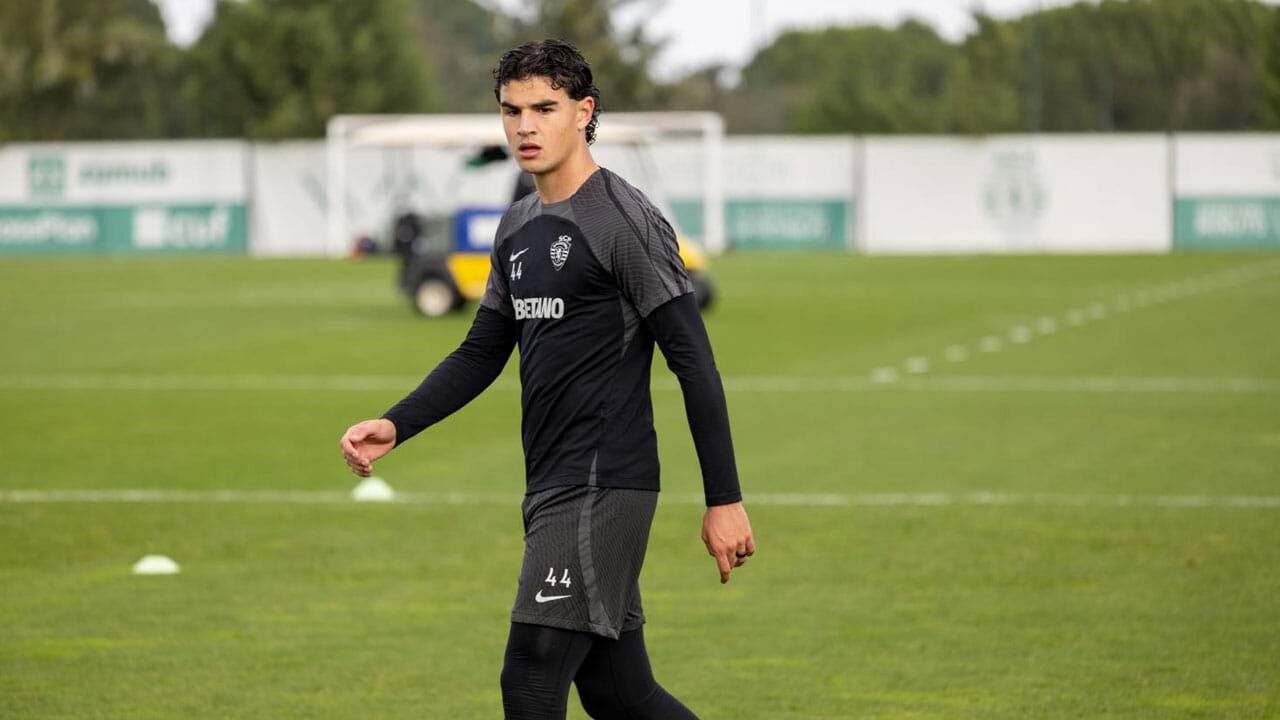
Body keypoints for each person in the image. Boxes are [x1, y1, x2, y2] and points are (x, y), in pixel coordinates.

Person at [339, 39, 755, 720]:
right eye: (512, 111)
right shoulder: (517, 226)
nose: (524, 127)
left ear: (583, 112)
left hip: (602, 484)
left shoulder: (621, 220)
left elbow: (693, 360)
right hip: (551, 484)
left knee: (530, 676)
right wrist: (397, 423)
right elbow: (482, 352)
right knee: (620, 695)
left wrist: (724, 499)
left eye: (544, 109)